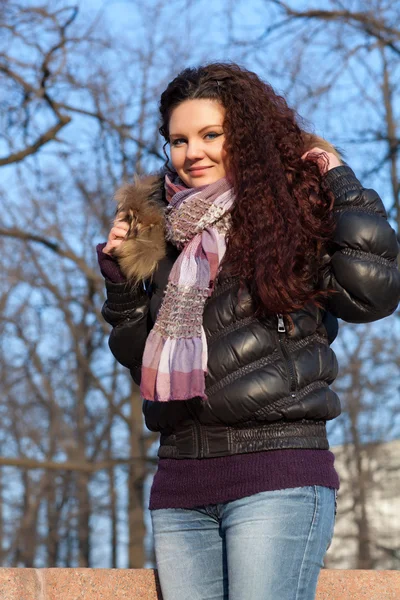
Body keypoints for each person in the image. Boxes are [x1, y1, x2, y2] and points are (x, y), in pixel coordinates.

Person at [97, 63, 400, 600]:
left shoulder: (294, 217)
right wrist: (122, 281)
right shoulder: (160, 235)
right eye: (179, 140)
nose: (193, 153)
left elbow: (371, 292)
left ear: (246, 135)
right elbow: (139, 357)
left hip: (277, 472)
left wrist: (334, 173)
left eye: (212, 134)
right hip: (181, 481)